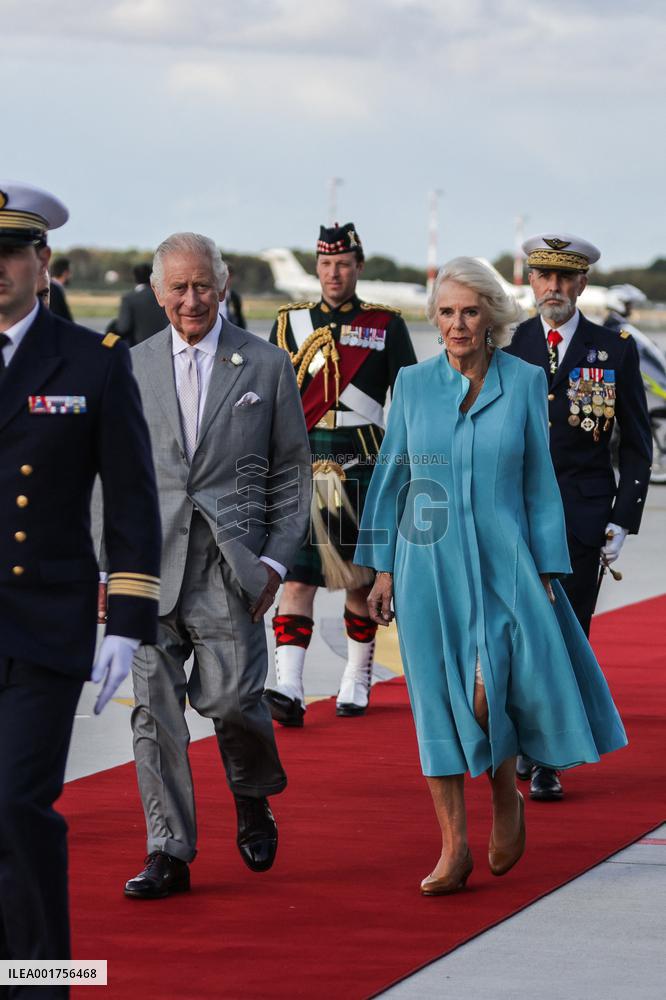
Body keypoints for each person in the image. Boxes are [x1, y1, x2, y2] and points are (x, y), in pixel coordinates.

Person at [354, 257, 627, 895]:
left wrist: (550, 564)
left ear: (491, 317)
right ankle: (454, 847)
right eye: (446, 312)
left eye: (470, 311)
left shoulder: (526, 381)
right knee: (436, 706)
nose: (457, 324)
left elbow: (538, 480)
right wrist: (381, 568)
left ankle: (506, 794)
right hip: (429, 564)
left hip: (506, 565)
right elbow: (391, 477)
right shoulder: (415, 386)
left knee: (487, 690)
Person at [0, 181, 161, 989]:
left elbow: (132, 499)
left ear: (42, 262)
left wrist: (127, 622)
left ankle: (38, 980)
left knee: (16, 806)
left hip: (42, 624)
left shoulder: (88, 363)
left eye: (8, 254)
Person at [118, 232, 311, 900]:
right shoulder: (130, 366)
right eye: (179, 287)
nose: (192, 299)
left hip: (231, 568)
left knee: (234, 701)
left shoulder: (263, 365)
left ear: (222, 287)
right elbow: (100, 474)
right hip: (145, 566)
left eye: (203, 285)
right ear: (157, 291)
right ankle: (168, 850)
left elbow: (292, 470)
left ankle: (252, 793)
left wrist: (275, 560)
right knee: (154, 713)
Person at [505, 234, 651, 800]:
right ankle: (523, 736)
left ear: (583, 283)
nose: (554, 288)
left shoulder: (613, 347)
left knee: (569, 634)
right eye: (544, 277)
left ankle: (550, 757)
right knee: (519, 634)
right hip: (511, 511)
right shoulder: (506, 340)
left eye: (566, 278)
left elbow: (637, 443)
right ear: (531, 282)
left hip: (581, 513)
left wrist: (623, 516)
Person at [264, 222, 417, 727]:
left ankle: (357, 676)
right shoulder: (291, 322)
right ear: (317, 266)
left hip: (363, 465)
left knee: (359, 581)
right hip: (304, 464)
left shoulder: (386, 325)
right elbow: (272, 399)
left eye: (344, 263)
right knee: (296, 579)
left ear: (358, 266)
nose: (334, 273)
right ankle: (288, 686)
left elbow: (410, 401)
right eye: (327, 264)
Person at [108, 261, 168, 345]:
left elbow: (123, 328)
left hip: (138, 349)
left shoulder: (129, 299)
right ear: (151, 276)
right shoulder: (163, 296)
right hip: (164, 346)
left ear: (134, 277)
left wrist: (112, 328)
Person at [49, 255, 73, 321]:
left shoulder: (51, 288)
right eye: (70, 272)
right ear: (65, 273)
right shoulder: (55, 290)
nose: (71, 276)